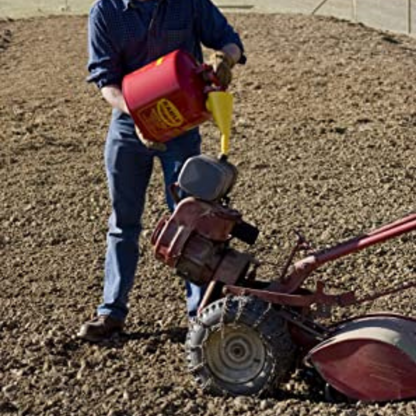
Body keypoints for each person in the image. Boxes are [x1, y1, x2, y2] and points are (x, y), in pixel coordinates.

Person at [77, 0, 246, 342]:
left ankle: (201, 313)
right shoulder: (106, 12)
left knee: (192, 221)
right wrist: (139, 114)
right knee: (123, 222)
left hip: (181, 128)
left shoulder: (187, 3)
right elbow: (106, 81)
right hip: (128, 129)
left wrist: (225, 59)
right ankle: (111, 311)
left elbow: (230, 41)